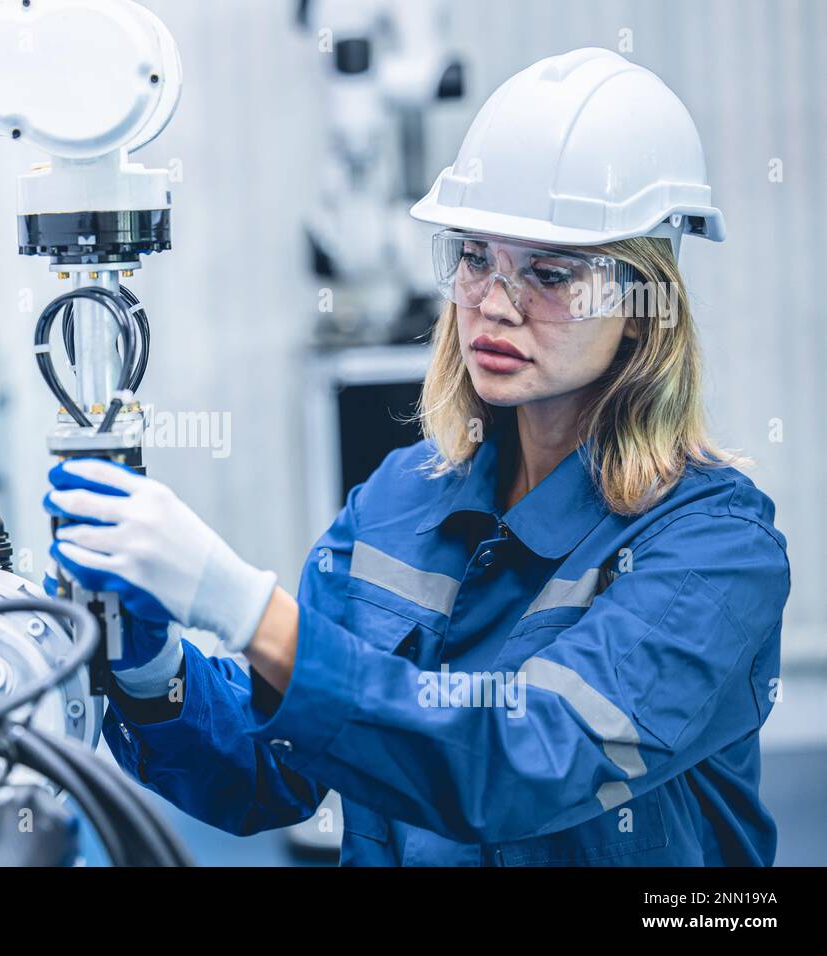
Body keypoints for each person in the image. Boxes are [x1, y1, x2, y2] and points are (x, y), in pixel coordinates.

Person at [42, 48, 790, 866]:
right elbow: (274, 767)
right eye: (475, 258)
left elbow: (528, 760)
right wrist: (155, 669)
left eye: (548, 272)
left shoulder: (714, 551)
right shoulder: (402, 498)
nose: (494, 305)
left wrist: (241, 606)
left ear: (643, 308)